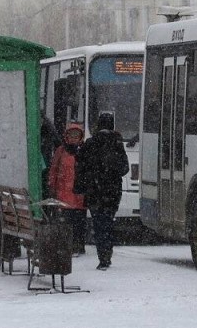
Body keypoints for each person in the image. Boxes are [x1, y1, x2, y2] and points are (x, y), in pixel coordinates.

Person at [74, 112, 129, 270]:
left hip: (94, 191)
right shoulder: (117, 142)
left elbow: (80, 167)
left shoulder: (90, 144)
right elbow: (124, 168)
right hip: (112, 191)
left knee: (99, 223)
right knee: (108, 220)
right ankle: (107, 252)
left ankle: (103, 255)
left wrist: (81, 186)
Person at [48, 122, 86, 254]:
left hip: (79, 194)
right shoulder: (61, 151)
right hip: (64, 193)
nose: (74, 137)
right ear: (66, 136)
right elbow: (54, 169)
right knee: (67, 221)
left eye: (77, 135)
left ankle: (79, 245)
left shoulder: (84, 150)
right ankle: (69, 245)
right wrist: (52, 185)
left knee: (79, 222)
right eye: (72, 134)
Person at [39, 111, 60, 197]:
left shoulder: (46, 129)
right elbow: (58, 143)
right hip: (45, 161)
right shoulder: (49, 127)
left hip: (44, 161)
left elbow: (57, 144)